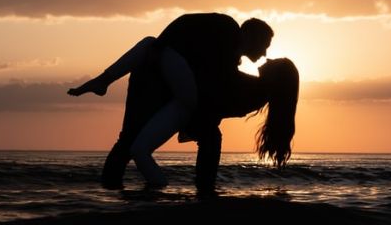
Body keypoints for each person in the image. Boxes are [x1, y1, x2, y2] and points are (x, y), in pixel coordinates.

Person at [68, 13, 276, 189]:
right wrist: (160, 44)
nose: (265, 52)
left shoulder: (230, 60)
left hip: (172, 86)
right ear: (251, 35)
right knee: (130, 139)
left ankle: (202, 191)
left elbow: (212, 83)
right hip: (153, 77)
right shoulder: (227, 27)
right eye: (265, 45)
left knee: (208, 136)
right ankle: (111, 188)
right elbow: (185, 21)